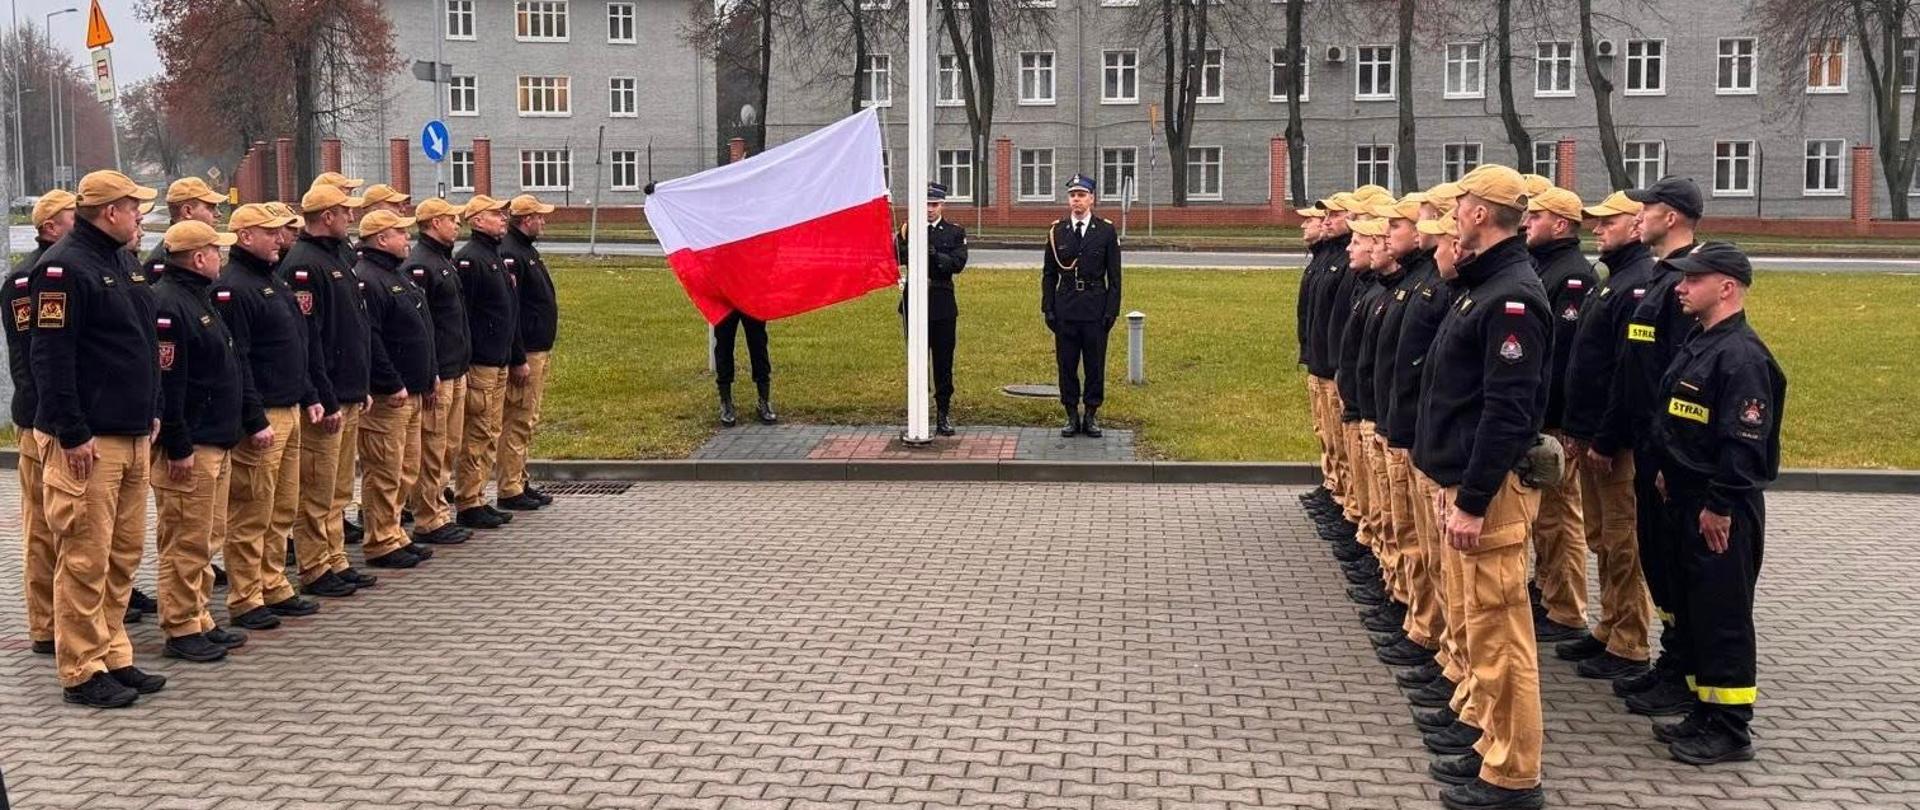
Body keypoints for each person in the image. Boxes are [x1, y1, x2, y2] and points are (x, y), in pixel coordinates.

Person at [1417, 165, 1551, 810]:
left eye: (1464, 200)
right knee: (1479, 625)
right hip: (1465, 480)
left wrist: (1471, 500)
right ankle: (1484, 737)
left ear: (1480, 214)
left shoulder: (1512, 296)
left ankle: (1513, 774)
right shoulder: (1484, 285)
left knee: (1501, 637)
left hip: (1488, 491)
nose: (1457, 209)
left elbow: (1508, 412)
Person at [28, 171, 166, 708]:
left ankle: (113, 653)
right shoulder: (63, 268)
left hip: (131, 433)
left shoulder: (121, 262)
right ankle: (82, 669)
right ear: (110, 211)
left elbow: (142, 344)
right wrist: (72, 430)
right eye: (135, 208)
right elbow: (50, 357)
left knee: (121, 556)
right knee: (85, 557)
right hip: (90, 441)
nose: (140, 218)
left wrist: (152, 409)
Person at [1645, 242, 1784, 765]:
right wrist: (1665, 471)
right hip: (1686, 499)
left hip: (1719, 508)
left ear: (1726, 287)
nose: (1681, 287)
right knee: (1695, 609)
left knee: (1722, 615)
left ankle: (1730, 728)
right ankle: (1704, 710)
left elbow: (1744, 443)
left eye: (1693, 279)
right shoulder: (1701, 343)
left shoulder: (1743, 357)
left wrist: (1721, 505)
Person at [1598, 177, 1704, 717]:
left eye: (1650, 210)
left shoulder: (1686, 284)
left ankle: (1686, 674)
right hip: (1642, 442)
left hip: (1663, 452)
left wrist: (1667, 457)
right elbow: (1632, 368)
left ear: (1676, 217)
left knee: (1673, 564)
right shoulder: (1663, 279)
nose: (1640, 218)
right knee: (1657, 562)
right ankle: (1671, 663)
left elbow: (1679, 378)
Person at [214, 203, 338, 630]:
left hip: (290, 407)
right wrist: (253, 418)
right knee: (251, 511)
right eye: (269, 233)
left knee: (280, 508)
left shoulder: (273, 280)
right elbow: (240, 360)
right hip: (263, 414)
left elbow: (297, 344)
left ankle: (273, 583)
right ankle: (246, 597)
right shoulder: (233, 287)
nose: (279, 239)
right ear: (245, 237)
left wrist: (309, 394)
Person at [1556, 191, 1660, 681]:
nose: (1597, 229)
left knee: (1623, 542)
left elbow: (1626, 374)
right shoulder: (1613, 280)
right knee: (1601, 537)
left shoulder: (1637, 283)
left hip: (1614, 441)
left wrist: (1604, 437)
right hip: (1593, 433)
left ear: (1636, 226)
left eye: (1608, 222)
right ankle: (1609, 626)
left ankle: (1631, 641)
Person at [149, 221, 251, 663]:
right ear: (197, 258)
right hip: (192, 445)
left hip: (216, 439)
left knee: (207, 536)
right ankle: (180, 625)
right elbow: (169, 385)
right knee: (185, 540)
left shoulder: (198, 298)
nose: (221, 258)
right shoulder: (170, 305)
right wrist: (178, 445)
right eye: (216, 250)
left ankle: (199, 616)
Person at [283, 182, 377, 602]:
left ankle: (335, 557)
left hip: (350, 389)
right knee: (317, 488)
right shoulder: (303, 265)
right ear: (326, 217)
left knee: (338, 486)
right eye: (344, 212)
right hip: (329, 394)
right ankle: (314, 564)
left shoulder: (338, 256)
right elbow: (310, 337)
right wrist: (323, 393)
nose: (351, 217)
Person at [1522, 187, 1599, 646]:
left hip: (1555, 419)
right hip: (1542, 415)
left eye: (1537, 216)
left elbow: (1568, 357)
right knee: (1545, 519)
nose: (1527, 222)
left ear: (1562, 225)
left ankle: (1567, 609)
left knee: (1560, 517)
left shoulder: (1572, 277)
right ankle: (1548, 592)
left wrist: (1567, 423)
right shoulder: (1544, 266)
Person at [8, 189, 76, 657]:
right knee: (42, 530)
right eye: (74, 217)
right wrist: (40, 421)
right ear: (50, 226)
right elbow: (31, 360)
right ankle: (44, 624)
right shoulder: (26, 279)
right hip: (39, 423)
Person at [354, 210, 440, 569]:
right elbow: (372, 338)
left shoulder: (394, 274)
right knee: (385, 471)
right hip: (393, 394)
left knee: (404, 469)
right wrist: (391, 382)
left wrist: (428, 373)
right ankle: (379, 540)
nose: (408, 239)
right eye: (400, 233)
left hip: (413, 390)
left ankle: (394, 533)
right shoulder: (370, 279)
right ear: (380, 239)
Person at [403, 198, 474, 547]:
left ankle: (438, 508)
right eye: (451, 219)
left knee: (448, 445)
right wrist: (430, 371)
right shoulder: (420, 265)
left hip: (455, 367)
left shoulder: (442, 260)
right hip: (440, 372)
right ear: (432, 223)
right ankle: (428, 516)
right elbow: (422, 326)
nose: (457, 224)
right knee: (433, 445)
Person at [453, 194, 520, 530]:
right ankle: (467, 499)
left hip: (499, 359)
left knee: (491, 429)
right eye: (495, 214)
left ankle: (478, 495)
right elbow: (467, 314)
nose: (503, 218)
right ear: (477, 220)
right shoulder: (470, 260)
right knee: (477, 432)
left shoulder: (493, 255)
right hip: (481, 361)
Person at [1041, 174, 1122, 438]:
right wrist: (1048, 308)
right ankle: (1071, 415)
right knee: (1067, 364)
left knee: (1094, 364)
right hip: (1066, 308)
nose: (1077, 200)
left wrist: (1111, 311)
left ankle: (1091, 414)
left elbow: (1115, 277)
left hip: (1095, 308)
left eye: (1082, 195)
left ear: (1092, 199)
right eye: (1073, 195)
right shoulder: (1057, 231)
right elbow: (1049, 274)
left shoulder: (1106, 230)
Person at [497, 194, 559, 511]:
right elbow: (512, 311)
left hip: (538, 348)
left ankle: (519, 478)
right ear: (525, 220)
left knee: (528, 417)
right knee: (518, 418)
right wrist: (518, 356)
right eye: (539, 216)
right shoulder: (511, 253)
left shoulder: (525, 250)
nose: (543, 221)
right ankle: (509, 486)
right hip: (527, 351)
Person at [895, 182, 970, 436]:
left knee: (943, 362)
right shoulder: (909, 229)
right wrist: (907, 244)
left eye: (934, 204)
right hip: (914, 300)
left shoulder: (954, 232)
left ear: (942, 205)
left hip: (942, 302)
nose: (929, 209)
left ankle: (943, 413)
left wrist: (935, 254)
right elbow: (897, 255)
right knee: (917, 362)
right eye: (926, 204)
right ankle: (918, 412)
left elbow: (957, 263)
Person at [143, 178, 227, 272]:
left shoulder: (199, 246)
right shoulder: (162, 261)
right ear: (188, 211)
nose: (218, 214)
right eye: (211, 208)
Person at [713, 310, 775, 426]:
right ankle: (726, 401)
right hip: (725, 298)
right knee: (724, 345)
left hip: (750, 297)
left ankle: (764, 400)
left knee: (758, 344)